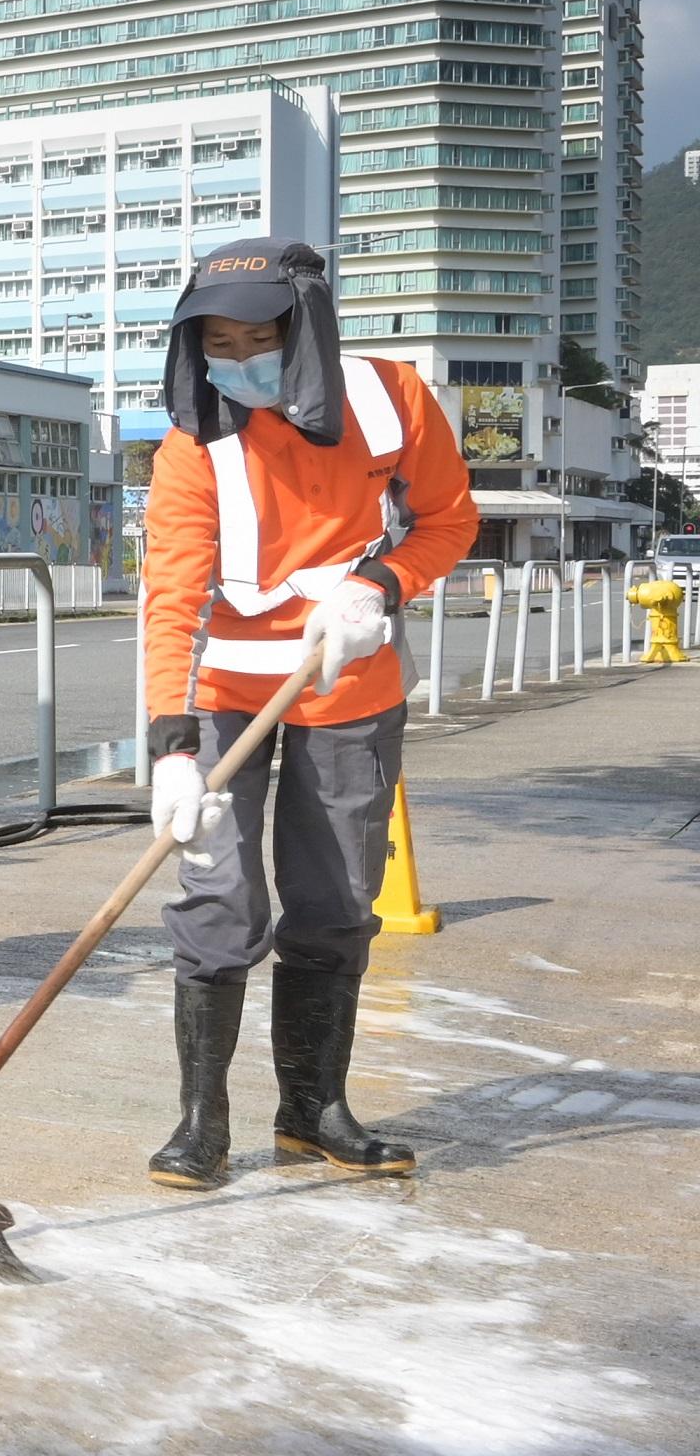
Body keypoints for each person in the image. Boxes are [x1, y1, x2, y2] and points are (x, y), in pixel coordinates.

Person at [138, 237, 475, 1190]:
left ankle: (312, 1109)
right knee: (217, 901)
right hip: (220, 701)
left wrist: (381, 582)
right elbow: (171, 599)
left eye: (259, 336)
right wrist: (171, 750)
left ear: (307, 330)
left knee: (334, 904)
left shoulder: (392, 398)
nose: (238, 357)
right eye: (217, 340)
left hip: (349, 688)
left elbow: (450, 518)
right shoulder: (190, 445)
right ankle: (201, 1122)